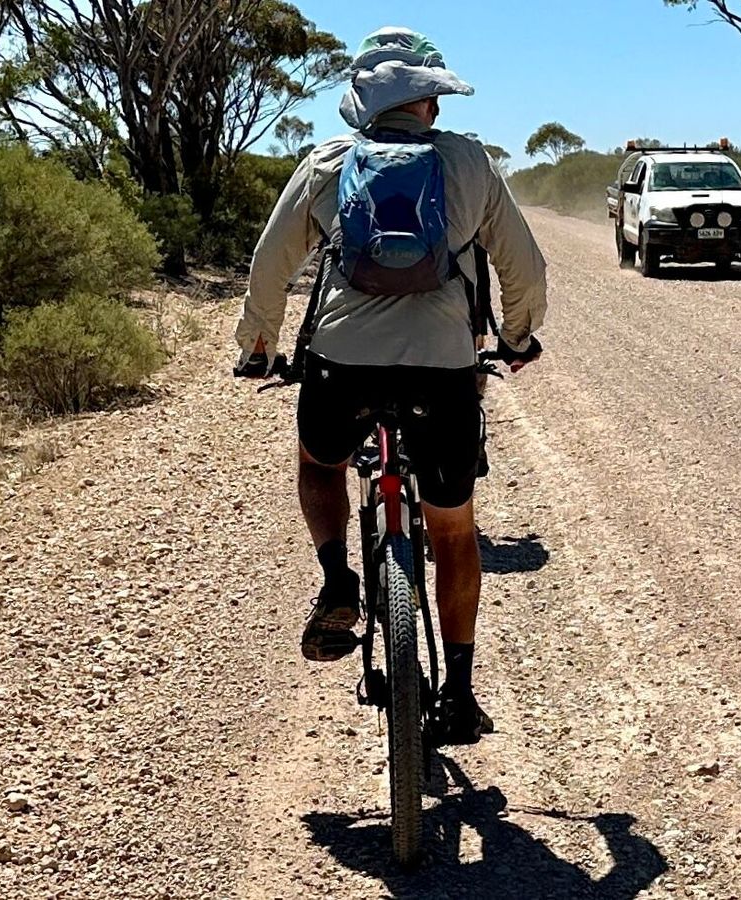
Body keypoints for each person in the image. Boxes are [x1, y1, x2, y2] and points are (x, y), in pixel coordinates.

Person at [233, 27, 547, 745]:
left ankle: (338, 578)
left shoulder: (326, 162)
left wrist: (259, 347)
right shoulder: (469, 161)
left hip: (342, 362)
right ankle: (459, 693)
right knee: (453, 529)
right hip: (443, 367)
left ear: (364, 105)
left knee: (320, 463)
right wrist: (517, 337)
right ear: (429, 102)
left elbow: (270, 264)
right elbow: (524, 267)